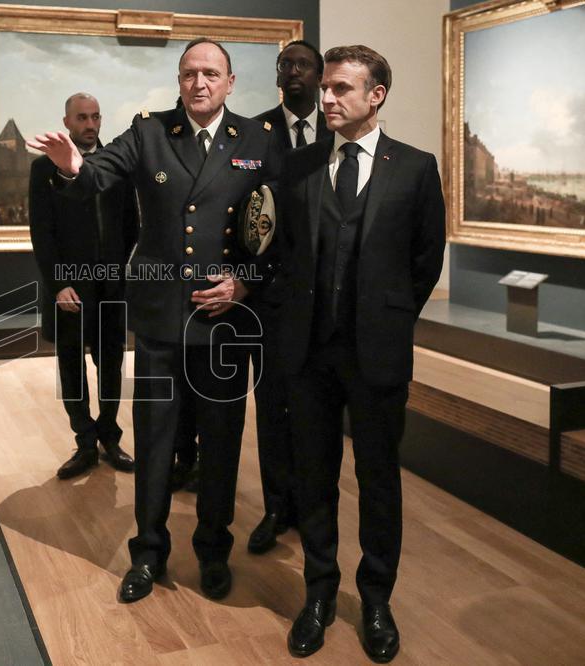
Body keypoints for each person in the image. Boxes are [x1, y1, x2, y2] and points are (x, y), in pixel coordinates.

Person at [29, 38, 271, 603]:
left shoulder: (258, 141)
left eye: (211, 73)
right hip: (162, 323)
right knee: (157, 443)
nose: (200, 83)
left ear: (230, 82)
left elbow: (279, 232)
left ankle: (213, 552)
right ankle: (149, 554)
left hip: (225, 326)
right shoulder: (150, 133)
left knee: (221, 442)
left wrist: (244, 284)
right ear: (179, 81)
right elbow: (99, 173)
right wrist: (72, 166)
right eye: (189, 74)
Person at [275, 45, 445, 662]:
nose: (326, 98)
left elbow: (426, 260)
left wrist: (388, 317)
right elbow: (286, 254)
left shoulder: (416, 169)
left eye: (341, 88)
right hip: (308, 352)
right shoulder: (297, 168)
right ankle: (318, 593)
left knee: (378, 479)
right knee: (314, 476)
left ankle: (376, 598)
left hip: (376, 353)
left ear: (376, 96)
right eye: (324, 88)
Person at [246, 40, 334, 555]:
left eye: (302, 64)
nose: (292, 71)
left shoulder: (339, 132)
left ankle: (313, 504)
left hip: (324, 298)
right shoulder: (256, 133)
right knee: (273, 402)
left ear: (319, 77)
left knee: (316, 408)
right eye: (285, 65)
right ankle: (278, 504)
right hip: (270, 296)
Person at [29, 93, 139, 479]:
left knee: (112, 364)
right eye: (81, 118)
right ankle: (84, 443)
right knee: (71, 365)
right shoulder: (43, 169)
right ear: (67, 121)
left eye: (95, 117)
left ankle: (110, 436)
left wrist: (121, 270)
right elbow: (42, 232)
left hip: (111, 286)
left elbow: (130, 225)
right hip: (70, 289)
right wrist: (59, 284)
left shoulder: (117, 167)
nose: (90, 124)